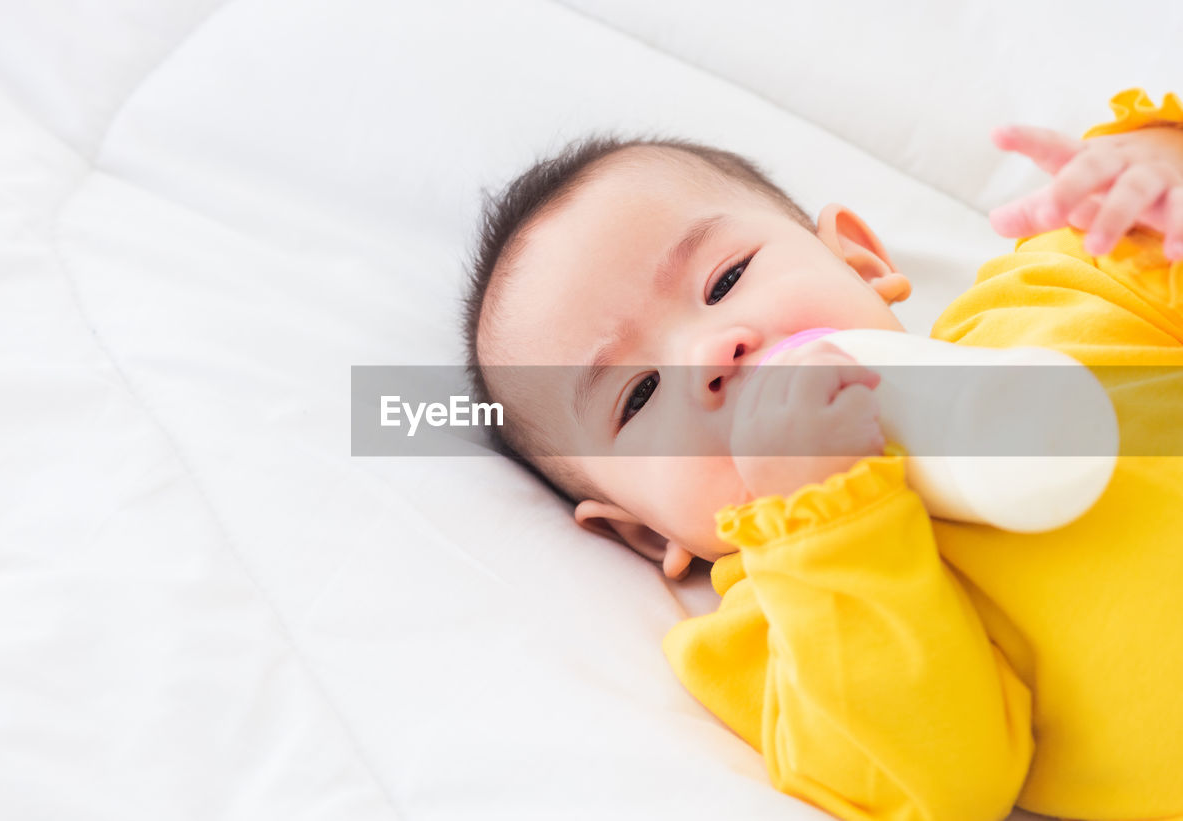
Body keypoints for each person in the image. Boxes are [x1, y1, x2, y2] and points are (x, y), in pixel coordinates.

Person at [461, 89, 1183, 820]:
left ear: (861, 260)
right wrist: (828, 526)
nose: (712, 353)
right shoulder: (783, 624)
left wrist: (1159, 167)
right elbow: (942, 786)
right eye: (641, 393)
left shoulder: (1050, 299)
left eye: (726, 280)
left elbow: (1152, 233)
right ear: (647, 531)